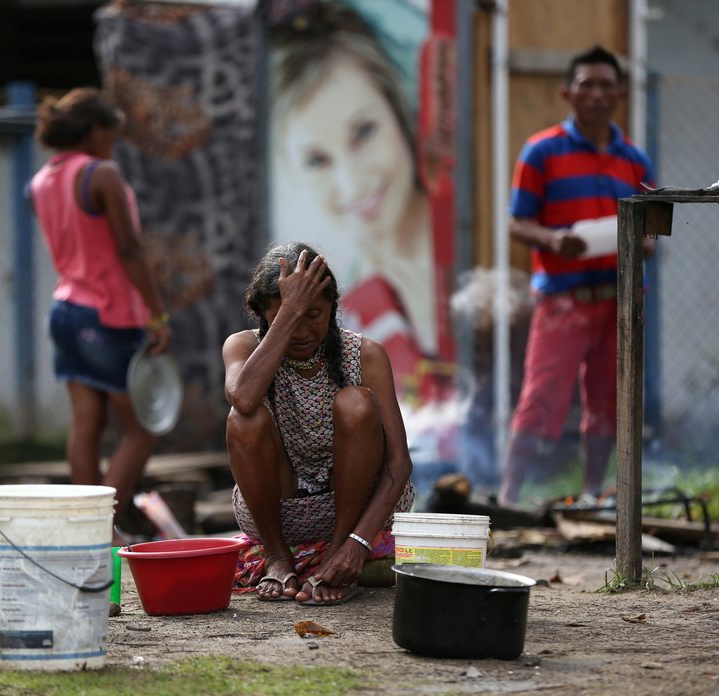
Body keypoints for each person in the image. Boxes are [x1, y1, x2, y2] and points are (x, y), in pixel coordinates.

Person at [499, 46, 656, 505]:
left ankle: (591, 497)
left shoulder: (635, 160)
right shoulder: (541, 150)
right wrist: (552, 241)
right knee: (540, 400)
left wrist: (644, 244)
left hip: (621, 298)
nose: (597, 93)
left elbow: (651, 232)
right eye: (587, 84)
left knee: (610, 402)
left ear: (621, 94)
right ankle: (507, 500)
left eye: (607, 84)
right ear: (568, 92)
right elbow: (516, 222)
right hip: (562, 299)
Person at [223, 242, 415, 605]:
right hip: (282, 513)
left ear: (332, 309)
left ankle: (336, 551)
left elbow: (399, 463)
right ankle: (279, 558)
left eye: (313, 314)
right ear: (265, 314)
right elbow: (244, 398)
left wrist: (356, 545)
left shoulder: (366, 354)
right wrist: (290, 312)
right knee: (242, 419)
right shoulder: (243, 346)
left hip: (357, 510)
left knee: (356, 402)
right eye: (286, 318)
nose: (300, 331)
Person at [269, 3, 438, 394]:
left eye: (363, 131)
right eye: (316, 160)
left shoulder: (481, 248)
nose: (352, 184)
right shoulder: (343, 313)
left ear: (398, 109)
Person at [30, 87, 172, 539]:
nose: (114, 144)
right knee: (142, 429)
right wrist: (157, 313)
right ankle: (98, 526)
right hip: (108, 313)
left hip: (65, 309)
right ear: (94, 131)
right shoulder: (101, 173)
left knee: (86, 423)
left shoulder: (42, 180)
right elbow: (128, 247)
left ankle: (88, 528)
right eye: (111, 134)